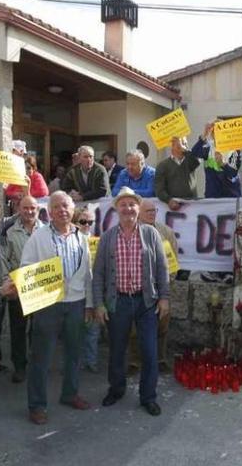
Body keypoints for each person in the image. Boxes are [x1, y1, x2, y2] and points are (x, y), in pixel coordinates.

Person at [14, 191, 94, 425]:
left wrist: (89, 304)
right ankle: (37, 405)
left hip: (76, 304)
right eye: (57, 206)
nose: (62, 210)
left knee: (74, 354)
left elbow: (87, 273)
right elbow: (26, 267)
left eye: (66, 206)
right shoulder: (39, 237)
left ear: (73, 210)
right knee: (42, 357)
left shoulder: (81, 237)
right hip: (48, 305)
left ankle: (70, 394)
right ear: (49, 212)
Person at [93, 187, 170, 416]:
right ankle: (116, 389)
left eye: (132, 204)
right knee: (117, 350)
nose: (128, 208)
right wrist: (99, 303)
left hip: (146, 301)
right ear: (117, 208)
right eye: (123, 204)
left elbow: (162, 268)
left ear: (138, 208)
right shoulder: (107, 237)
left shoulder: (150, 234)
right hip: (118, 302)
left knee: (149, 351)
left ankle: (148, 396)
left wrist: (164, 297)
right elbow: (98, 274)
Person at [0, 196, 45, 384]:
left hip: (41, 289)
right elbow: (2, 260)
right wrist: (7, 285)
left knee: (38, 330)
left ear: (38, 210)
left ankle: (36, 365)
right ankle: (20, 367)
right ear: (18, 208)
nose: (29, 212)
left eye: (33, 208)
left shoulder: (47, 230)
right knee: (18, 330)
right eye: (25, 208)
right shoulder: (8, 231)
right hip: (18, 289)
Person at [131, 199, 176, 372]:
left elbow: (173, 262)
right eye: (148, 211)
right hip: (137, 288)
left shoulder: (167, 232)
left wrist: (166, 283)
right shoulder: (131, 231)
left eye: (154, 210)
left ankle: (160, 359)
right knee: (134, 328)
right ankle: (134, 361)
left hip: (161, 288)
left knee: (163, 324)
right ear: (139, 212)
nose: (152, 213)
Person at [73, 206, 100, 374]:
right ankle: (75, 363)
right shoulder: (69, 241)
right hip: (76, 294)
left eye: (90, 222)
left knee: (93, 331)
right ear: (75, 222)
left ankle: (91, 361)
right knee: (75, 332)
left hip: (94, 293)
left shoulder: (98, 241)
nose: (87, 225)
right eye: (83, 221)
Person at [193, 122, 241, 198]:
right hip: (213, 196)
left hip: (231, 196)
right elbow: (194, 153)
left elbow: (233, 174)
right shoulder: (208, 147)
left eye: (221, 132)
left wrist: (222, 164)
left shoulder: (234, 149)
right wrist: (204, 134)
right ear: (212, 134)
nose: (218, 135)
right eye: (215, 132)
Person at [154, 136, 201, 211]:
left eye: (185, 144)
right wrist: (168, 200)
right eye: (181, 144)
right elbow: (159, 189)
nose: (184, 146)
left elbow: (197, 161)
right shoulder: (162, 165)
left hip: (191, 206)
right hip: (173, 208)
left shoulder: (189, 161)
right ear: (172, 146)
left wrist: (185, 149)